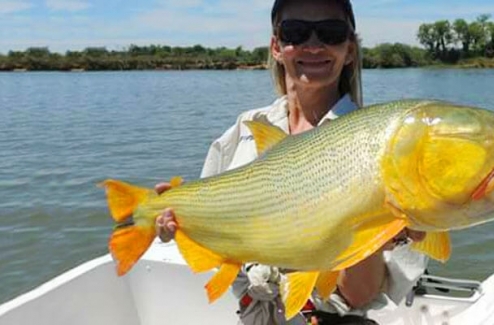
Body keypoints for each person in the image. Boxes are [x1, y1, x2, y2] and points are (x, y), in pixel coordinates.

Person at [155, 0, 429, 324]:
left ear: (350, 49)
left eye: (331, 32)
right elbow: (212, 229)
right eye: (295, 32)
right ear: (276, 46)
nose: (313, 45)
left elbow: (358, 294)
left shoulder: (387, 146)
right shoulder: (245, 128)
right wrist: (176, 222)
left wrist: (377, 227)